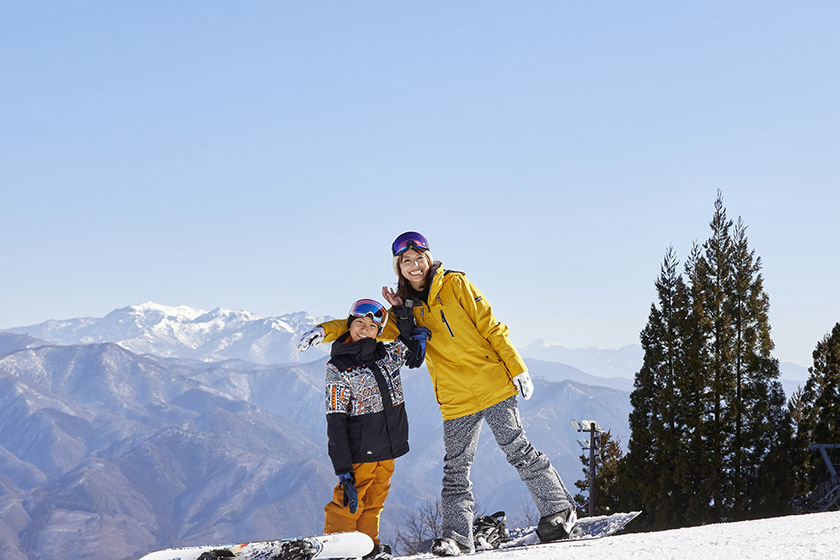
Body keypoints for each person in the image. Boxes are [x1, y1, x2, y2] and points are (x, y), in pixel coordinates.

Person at [298, 232, 576, 557]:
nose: (415, 266)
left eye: (419, 258)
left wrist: (517, 367)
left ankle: (559, 510)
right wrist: (324, 330)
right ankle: (458, 538)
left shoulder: (456, 285)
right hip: (456, 397)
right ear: (398, 268)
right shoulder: (406, 309)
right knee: (456, 468)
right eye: (406, 262)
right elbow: (364, 325)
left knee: (518, 450)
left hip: (493, 383)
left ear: (428, 258)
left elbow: (491, 326)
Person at [320, 298, 427, 560]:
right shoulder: (338, 368)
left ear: (379, 331)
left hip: (388, 449)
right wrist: (343, 469)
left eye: (371, 325)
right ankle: (340, 551)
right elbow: (335, 421)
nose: (364, 329)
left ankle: (368, 548)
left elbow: (410, 339)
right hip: (359, 453)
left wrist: (417, 332)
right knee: (346, 505)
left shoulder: (387, 356)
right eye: (358, 323)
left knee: (374, 504)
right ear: (349, 325)